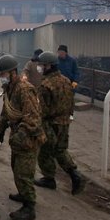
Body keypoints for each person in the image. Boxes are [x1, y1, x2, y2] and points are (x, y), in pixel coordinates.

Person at [0, 54, 46, 220]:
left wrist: (21, 134)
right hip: (17, 136)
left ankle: (29, 207)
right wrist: (2, 128)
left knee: (24, 173)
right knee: (16, 168)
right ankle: (23, 193)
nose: (1, 77)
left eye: (3, 74)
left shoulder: (24, 89)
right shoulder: (10, 88)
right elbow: (6, 110)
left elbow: (33, 117)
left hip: (28, 137)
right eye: (0, 75)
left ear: (12, 72)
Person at [34, 52, 86, 194]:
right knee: (60, 149)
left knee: (45, 151)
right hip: (64, 122)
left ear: (48, 66)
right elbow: (71, 102)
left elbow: (42, 110)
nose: (39, 67)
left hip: (50, 123)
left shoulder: (45, 85)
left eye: (41, 65)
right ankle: (74, 174)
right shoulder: (66, 80)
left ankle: (50, 178)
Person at [57, 45, 79, 120]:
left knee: (70, 99)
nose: (60, 54)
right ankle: (60, 113)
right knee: (59, 98)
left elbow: (76, 72)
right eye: (59, 52)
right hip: (60, 83)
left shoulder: (72, 61)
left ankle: (70, 113)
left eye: (61, 52)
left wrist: (75, 81)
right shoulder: (56, 61)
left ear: (65, 52)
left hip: (70, 83)